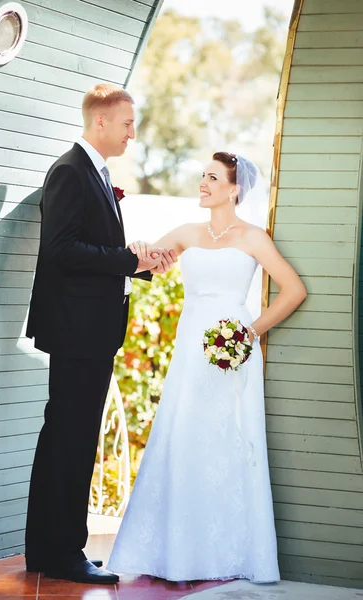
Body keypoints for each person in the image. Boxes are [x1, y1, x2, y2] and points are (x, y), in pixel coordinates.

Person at [107, 152, 307, 583]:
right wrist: (139, 250)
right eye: (202, 176)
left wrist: (249, 333)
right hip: (189, 349)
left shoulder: (255, 238)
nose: (203, 183)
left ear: (234, 189)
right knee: (183, 437)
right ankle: (176, 554)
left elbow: (293, 290)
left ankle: (225, 553)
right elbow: (145, 263)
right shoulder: (187, 232)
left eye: (212, 178)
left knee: (227, 442)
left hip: (231, 352)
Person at [24, 83, 176, 585]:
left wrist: (139, 261)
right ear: (101, 122)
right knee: (69, 440)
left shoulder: (95, 173)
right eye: (128, 123)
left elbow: (93, 249)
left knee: (70, 438)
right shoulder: (71, 171)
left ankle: (52, 550)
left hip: (89, 331)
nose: (134, 133)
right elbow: (62, 250)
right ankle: (61, 552)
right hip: (75, 332)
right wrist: (127, 259)